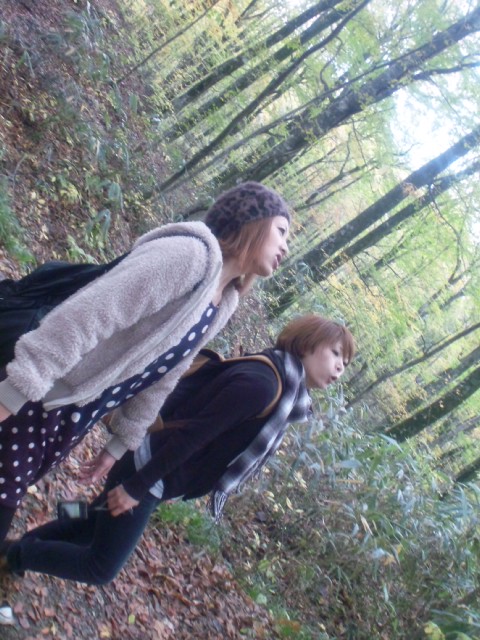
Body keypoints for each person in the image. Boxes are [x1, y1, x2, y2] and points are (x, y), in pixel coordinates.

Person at [0, 181, 291, 545]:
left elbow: (165, 375)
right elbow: (91, 313)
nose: (285, 247)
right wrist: (17, 389)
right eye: (281, 231)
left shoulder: (223, 299)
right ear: (251, 221)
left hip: (69, 414)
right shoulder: (189, 256)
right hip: (38, 395)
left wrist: (122, 439)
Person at [2, 315, 355, 585]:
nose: (340, 366)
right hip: (147, 469)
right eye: (336, 353)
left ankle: (19, 548)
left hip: (152, 468)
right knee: (101, 567)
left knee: (92, 521)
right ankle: (16, 555)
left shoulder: (280, 385)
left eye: (346, 361)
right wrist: (137, 487)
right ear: (307, 344)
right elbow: (193, 436)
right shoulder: (264, 386)